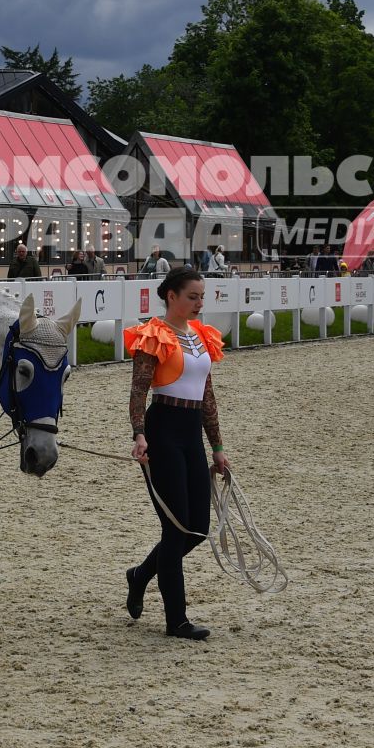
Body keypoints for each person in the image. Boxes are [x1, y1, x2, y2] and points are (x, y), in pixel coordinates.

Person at [122, 268, 229, 641]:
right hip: (162, 430)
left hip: (190, 432)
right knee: (175, 528)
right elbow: (138, 391)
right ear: (172, 296)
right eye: (193, 296)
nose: (200, 303)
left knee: (196, 528)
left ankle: (139, 575)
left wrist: (216, 448)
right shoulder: (154, 335)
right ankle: (176, 620)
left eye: (202, 296)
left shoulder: (202, 336)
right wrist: (139, 433)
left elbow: (208, 395)